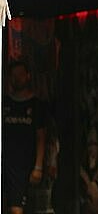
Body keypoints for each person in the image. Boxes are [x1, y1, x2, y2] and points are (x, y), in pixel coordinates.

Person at [2, 61, 47, 214]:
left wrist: (38, 166)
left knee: (17, 208)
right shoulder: (4, 102)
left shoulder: (36, 105)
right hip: (6, 162)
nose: (17, 79)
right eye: (13, 76)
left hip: (23, 165)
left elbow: (41, 137)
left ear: (28, 76)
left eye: (20, 75)